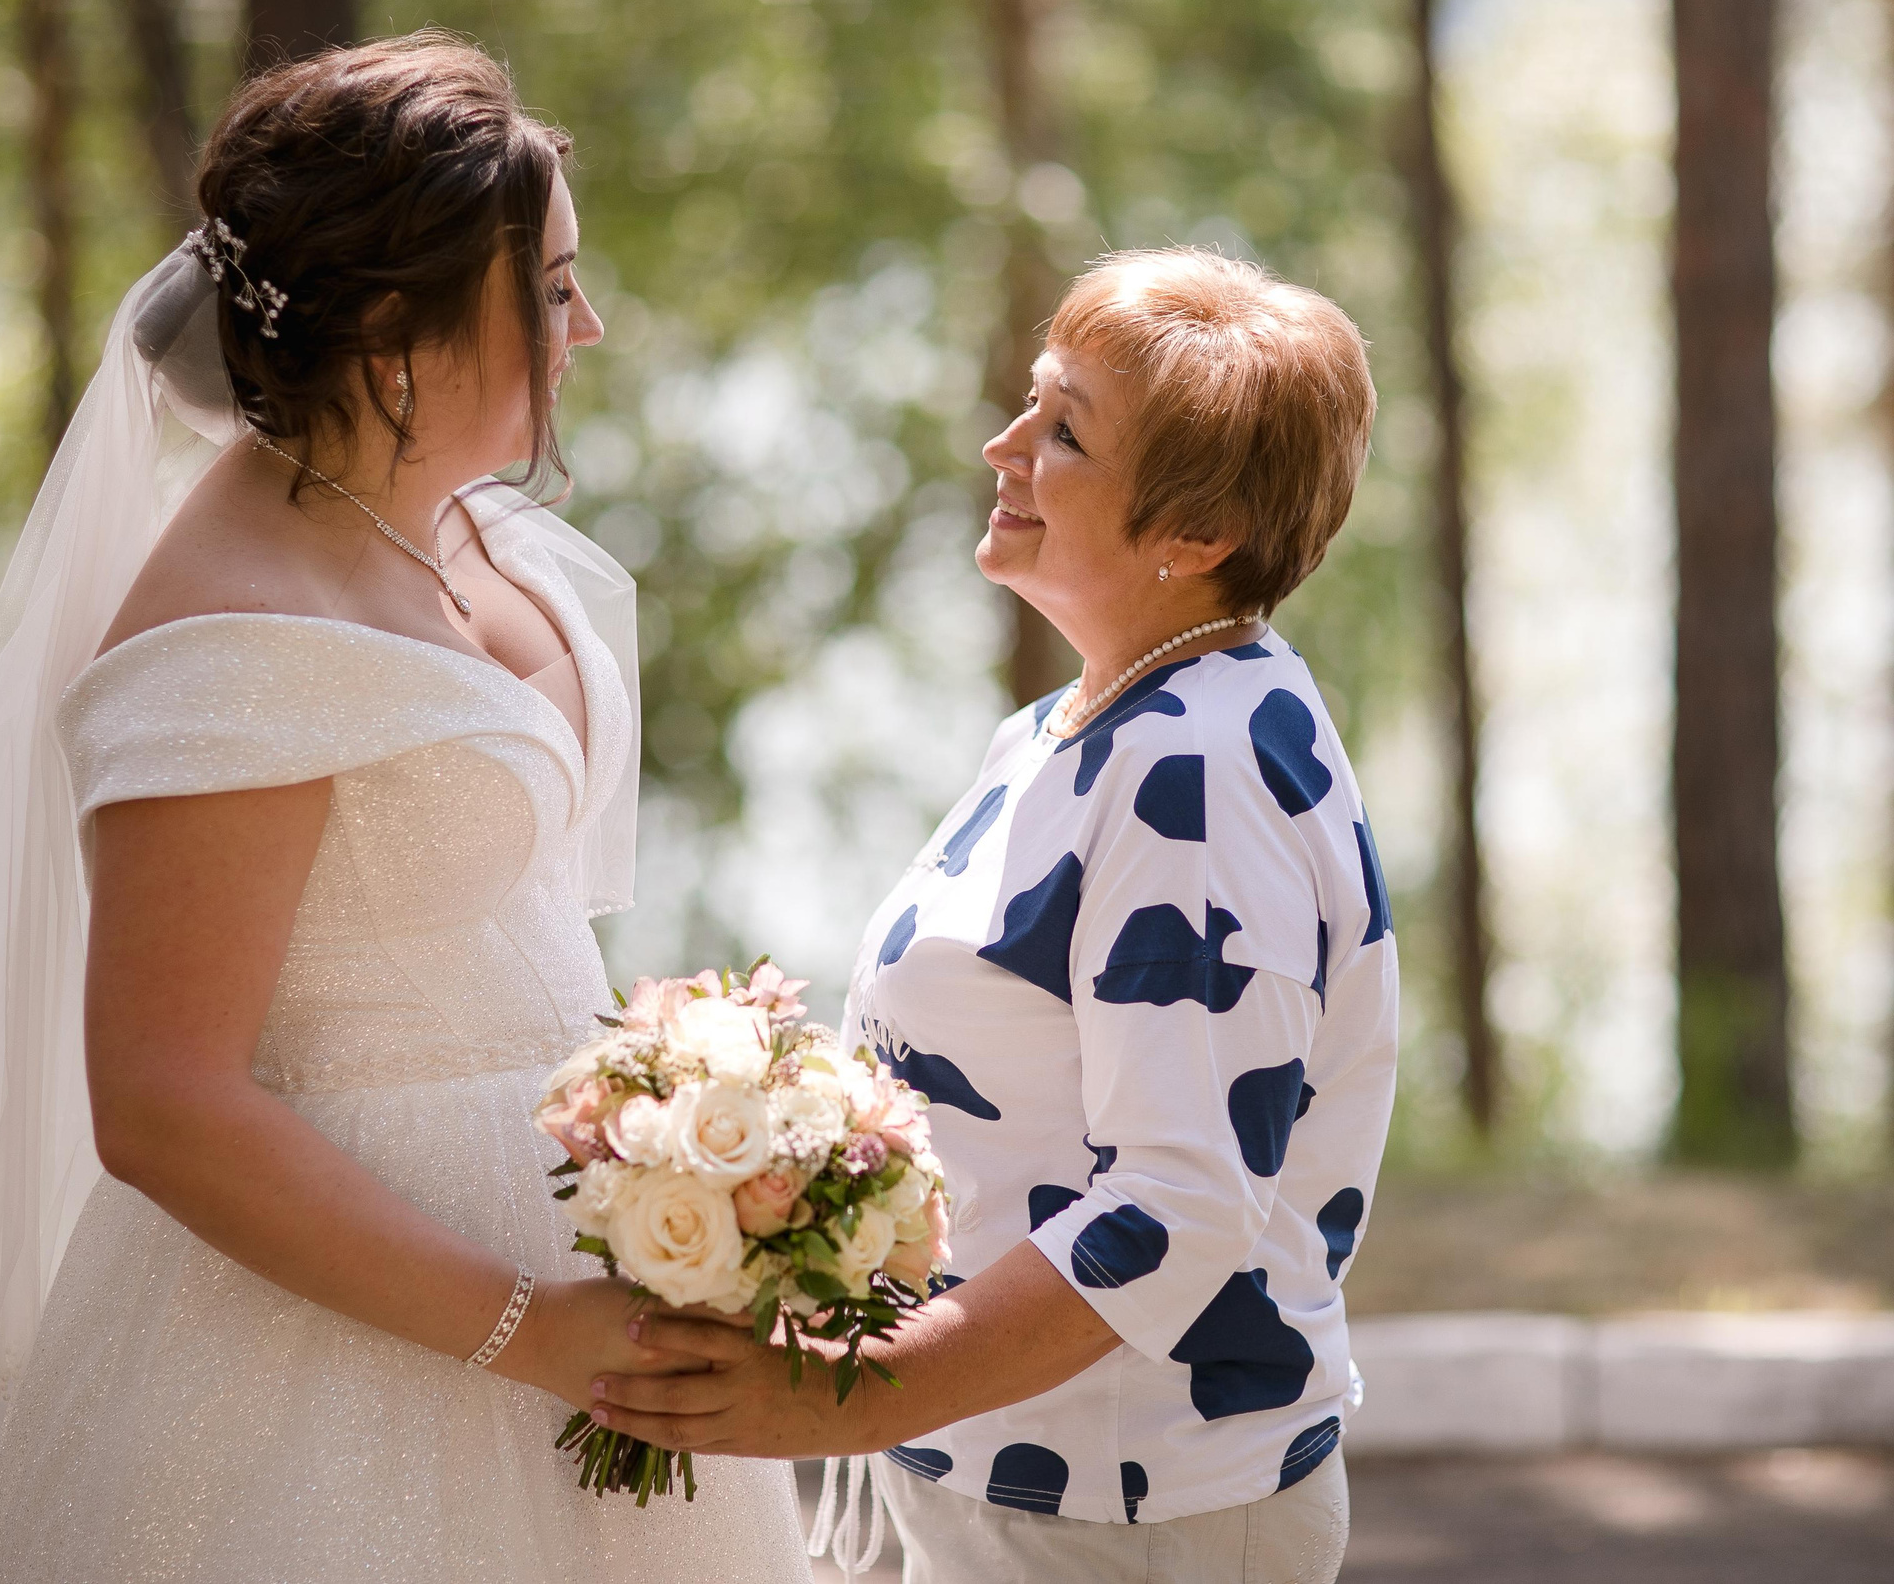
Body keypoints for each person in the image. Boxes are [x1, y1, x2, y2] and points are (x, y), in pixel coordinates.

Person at [0, 34, 810, 1582]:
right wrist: (529, 1332)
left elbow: (507, 931)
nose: (587, 325)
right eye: (547, 289)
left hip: (580, 1286)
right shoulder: (226, 640)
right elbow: (164, 1104)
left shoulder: (464, 532)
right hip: (334, 1364)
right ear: (396, 322)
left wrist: (705, 1135)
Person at [594, 248, 1398, 1584]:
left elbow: (1177, 1199)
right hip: (1012, 1472)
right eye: (1034, 400)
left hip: (1123, 1511)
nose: (1005, 443)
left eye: (1065, 429)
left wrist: (857, 1390)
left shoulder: (1189, 774)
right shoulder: (1080, 724)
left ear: (1196, 537)